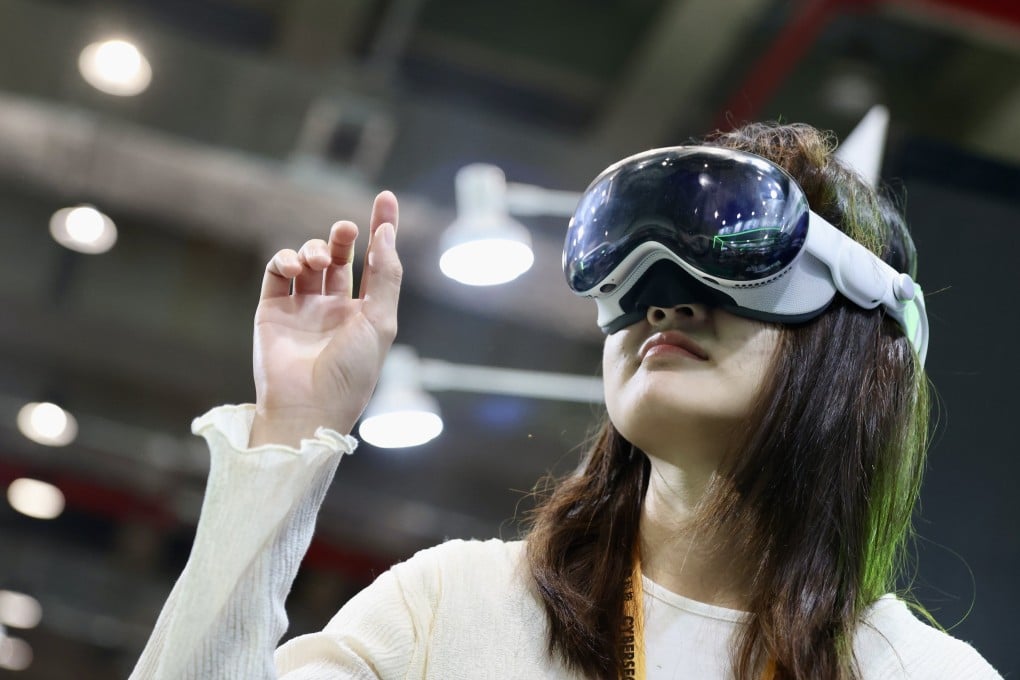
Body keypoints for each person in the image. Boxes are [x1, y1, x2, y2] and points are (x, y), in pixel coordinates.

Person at [129, 122, 1002, 679]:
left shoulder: (922, 673)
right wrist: (290, 433)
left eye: (734, 247)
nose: (661, 299)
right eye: (632, 260)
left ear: (864, 330)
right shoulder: (450, 611)